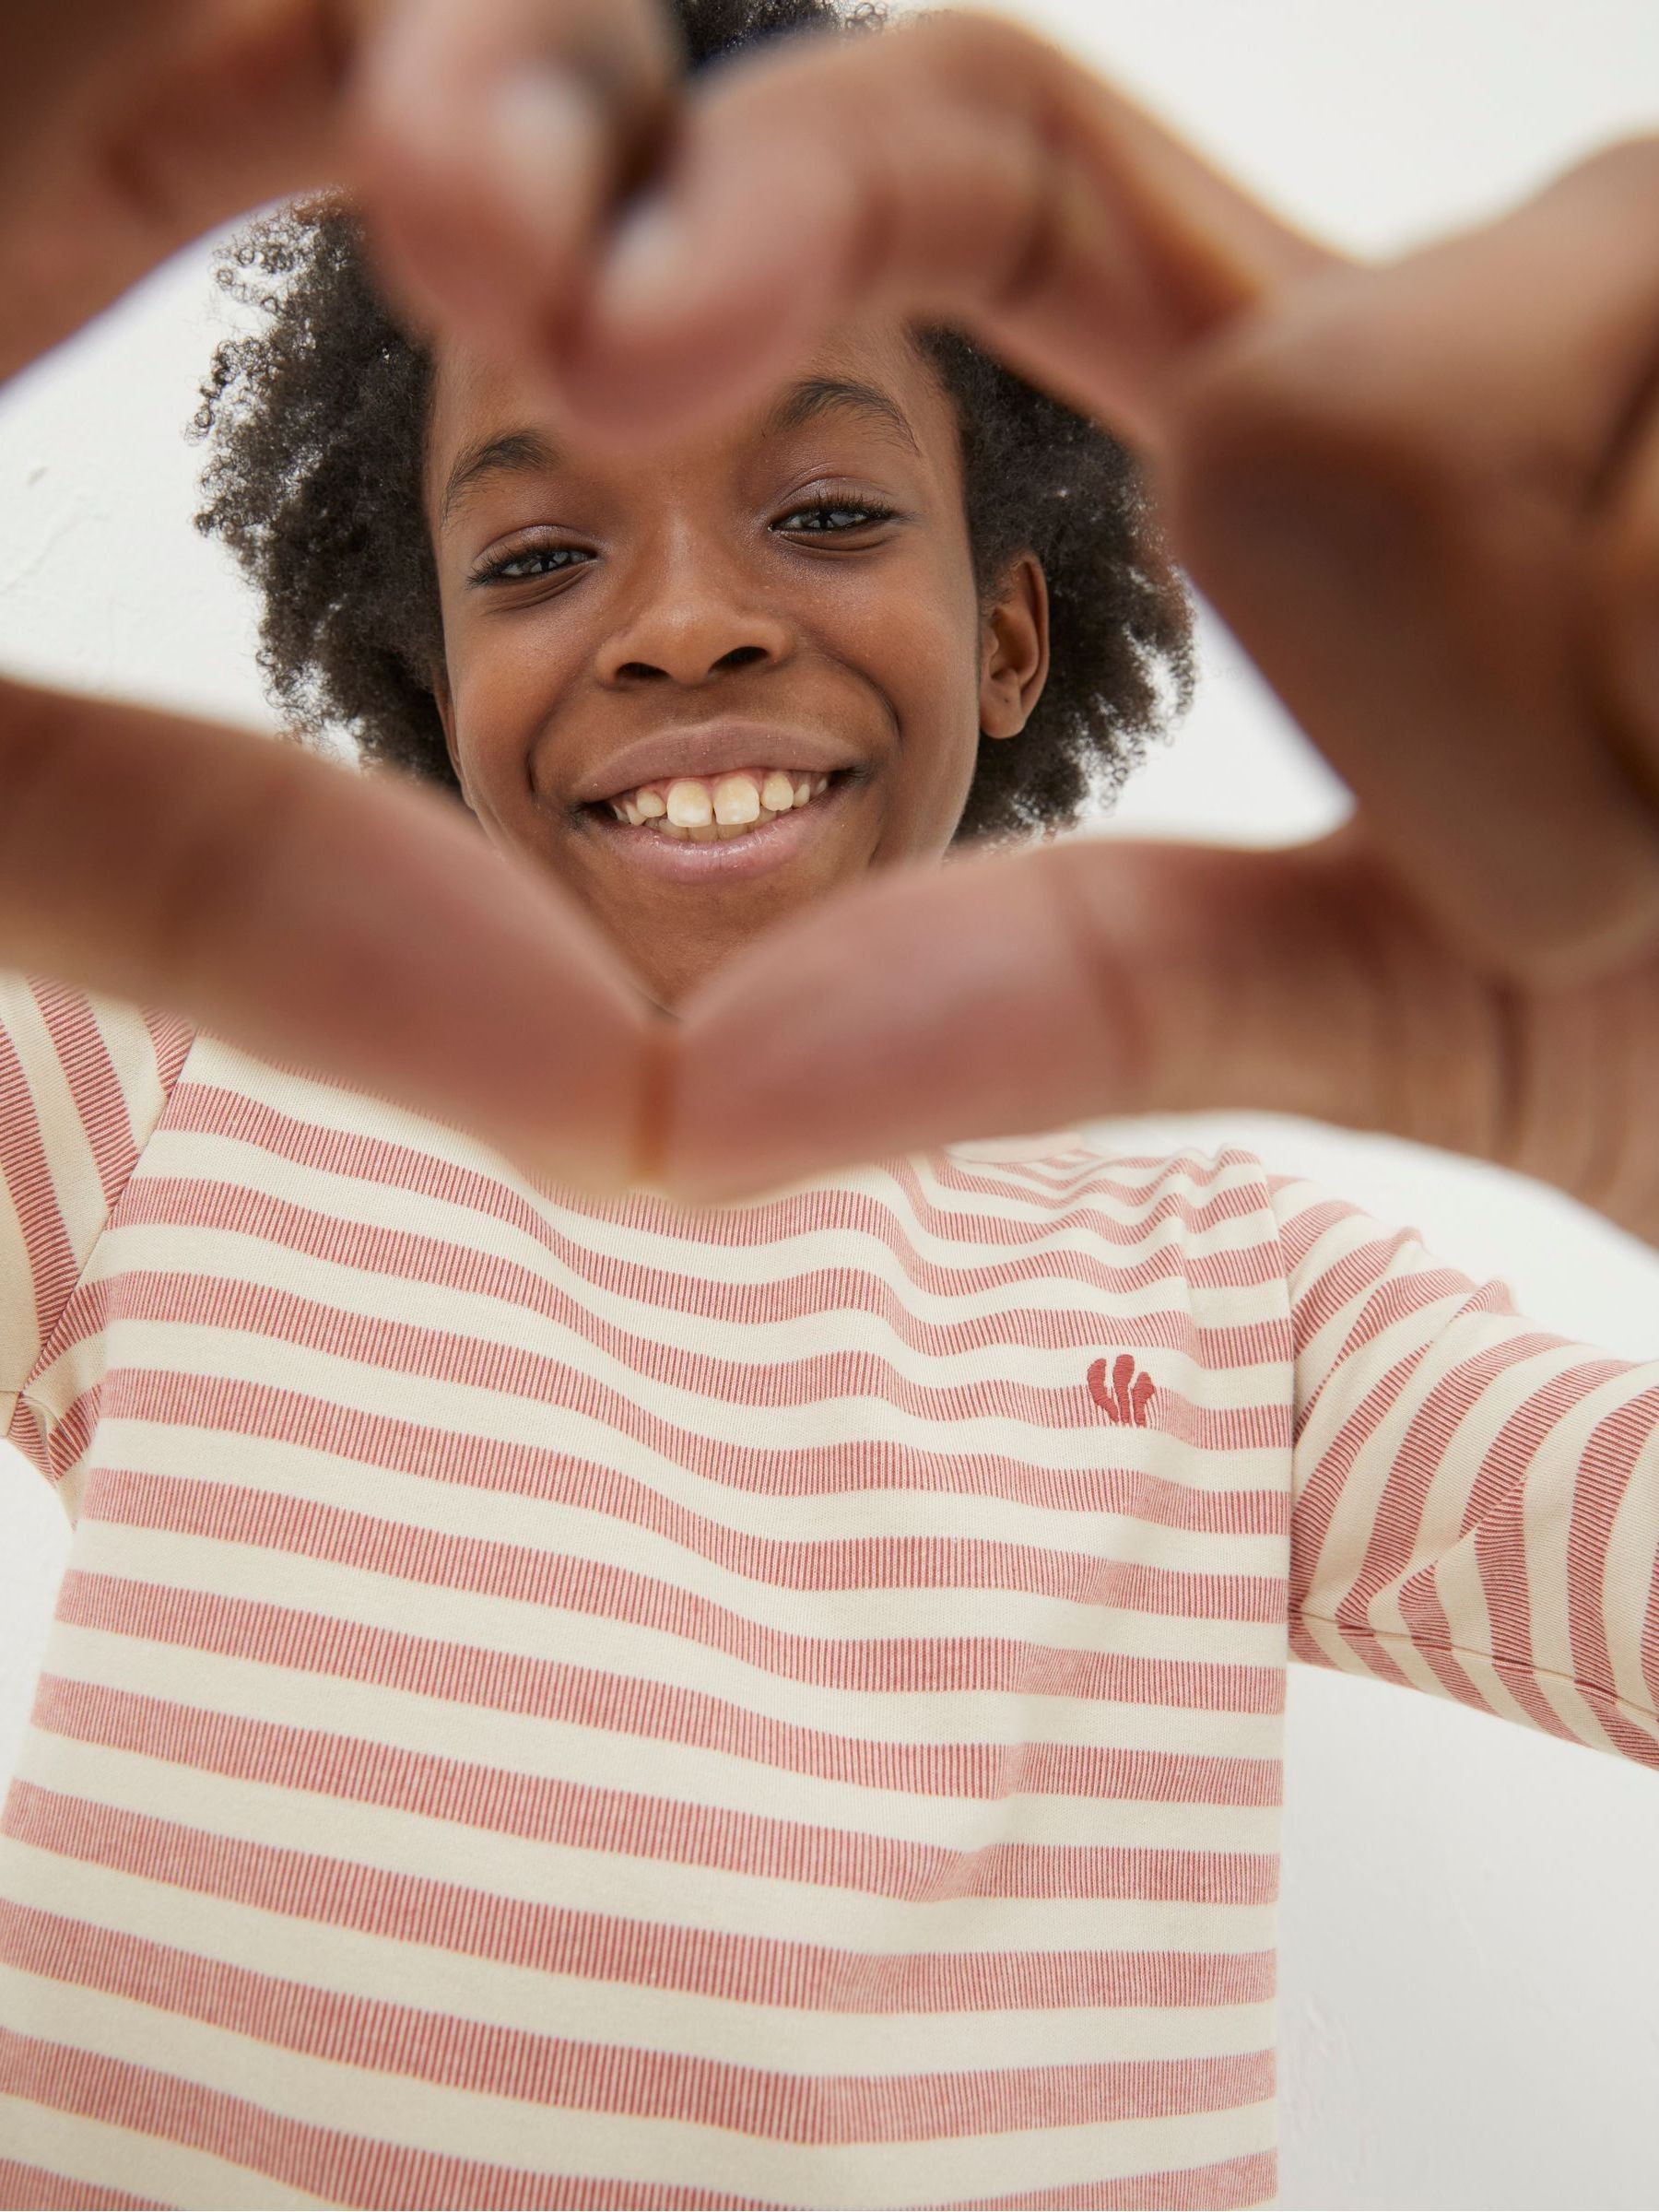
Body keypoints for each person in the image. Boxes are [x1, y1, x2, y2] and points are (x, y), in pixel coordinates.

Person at [0, 0, 1654, 2205]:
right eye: (530, 556)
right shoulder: (161, 1088)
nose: (685, 627)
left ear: (1006, 636)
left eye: (828, 506)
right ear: (426, 666)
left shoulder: (1249, 1307)